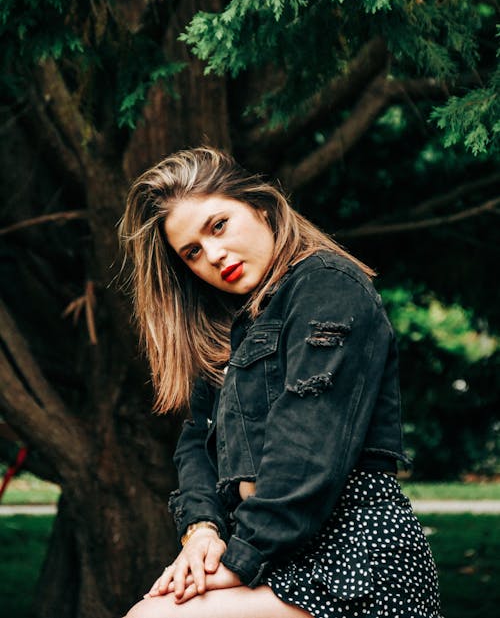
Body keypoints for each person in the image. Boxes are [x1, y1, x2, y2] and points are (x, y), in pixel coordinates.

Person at [120, 147, 441, 618]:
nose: (213, 254)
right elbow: (195, 444)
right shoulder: (231, 328)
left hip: (356, 555)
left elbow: (308, 443)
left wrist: (239, 558)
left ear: (262, 207)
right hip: (278, 553)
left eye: (218, 225)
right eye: (192, 251)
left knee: (157, 616)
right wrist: (203, 529)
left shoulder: (327, 287)